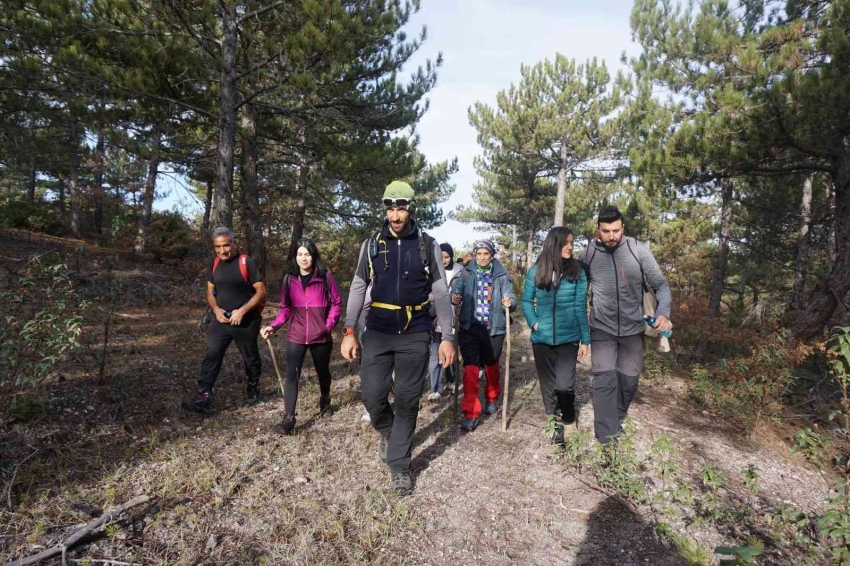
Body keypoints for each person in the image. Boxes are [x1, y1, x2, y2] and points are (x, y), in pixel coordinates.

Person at [341, 181, 455, 496]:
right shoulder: (372, 244)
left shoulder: (426, 244)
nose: (395, 215)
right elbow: (358, 286)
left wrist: (447, 336)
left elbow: (441, 291)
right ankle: (392, 434)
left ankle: (400, 465)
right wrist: (350, 330)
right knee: (372, 396)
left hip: (416, 330)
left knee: (407, 399)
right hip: (377, 329)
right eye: (390, 208)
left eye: (401, 208)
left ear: (410, 208)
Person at [579, 205, 672, 444]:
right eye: (606, 231)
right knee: (604, 380)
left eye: (616, 230)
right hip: (601, 327)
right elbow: (577, 286)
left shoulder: (637, 249)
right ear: (597, 229)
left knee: (629, 382)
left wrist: (663, 312)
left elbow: (661, 285)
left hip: (633, 329)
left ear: (623, 228)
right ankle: (606, 438)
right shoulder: (588, 253)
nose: (611, 236)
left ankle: (616, 419)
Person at [260, 239, 342, 435]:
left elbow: (337, 304)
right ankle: (289, 417)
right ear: (295, 257)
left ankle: (324, 400)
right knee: (292, 375)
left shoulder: (325, 278)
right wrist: (273, 326)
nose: (303, 258)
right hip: (295, 335)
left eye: (307, 254)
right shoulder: (289, 279)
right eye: (299, 254)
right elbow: (285, 309)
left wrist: (327, 326)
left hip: (320, 336)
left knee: (323, 373)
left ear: (313, 256)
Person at [182, 227, 267, 413]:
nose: (222, 251)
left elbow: (261, 291)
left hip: (245, 321)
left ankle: (253, 391)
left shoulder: (246, 262)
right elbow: (210, 290)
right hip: (221, 320)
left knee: (250, 357)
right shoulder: (214, 263)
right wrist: (216, 309)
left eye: (226, 245)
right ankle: (203, 396)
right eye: (218, 247)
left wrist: (242, 311)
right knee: (212, 355)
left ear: (233, 243)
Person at [521, 227, 590, 445]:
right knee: (548, 385)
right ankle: (554, 422)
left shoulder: (578, 273)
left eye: (571, 242)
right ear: (553, 245)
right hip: (541, 339)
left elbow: (580, 307)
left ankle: (569, 421)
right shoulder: (536, 271)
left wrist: (585, 340)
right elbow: (525, 300)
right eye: (565, 243)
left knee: (564, 385)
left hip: (568, 338)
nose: (570, 247)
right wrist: (533, 323)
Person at [451, 239, 516, 432]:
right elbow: (456, 292)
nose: (482, 258)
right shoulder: (466, 273)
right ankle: (471, 413)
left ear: (492, 255)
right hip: (470, 327)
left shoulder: (502, 275)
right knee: (470, 367)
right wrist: (454, 297)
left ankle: (492, 397)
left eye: (485, 254)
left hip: (494, 327)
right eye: (478, 254)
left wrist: (509, 303)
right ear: (474, 254)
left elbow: (511, 298)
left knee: (491, 364)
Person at [426, 243, 460, 400]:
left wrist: (458, 299)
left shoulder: (460, 272)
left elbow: (466, 293)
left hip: (454, 320)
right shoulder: (431, 271)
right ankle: (436, 389)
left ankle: (453, 381)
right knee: (434, 356)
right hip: (435, 321)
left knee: (451, 354)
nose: (444, 260)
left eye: (447, 257)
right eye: (441, 257)